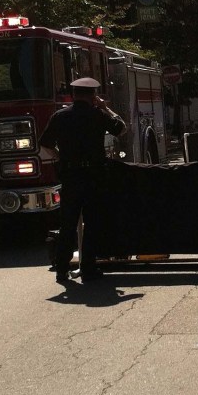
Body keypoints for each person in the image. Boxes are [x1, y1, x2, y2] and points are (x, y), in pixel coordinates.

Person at [39, 77, 126, 283]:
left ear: (73, 95)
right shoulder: (98, 115)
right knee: (92, 223)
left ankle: (62, 269)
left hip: (70, 177)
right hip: (94, 177)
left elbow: (45, 144)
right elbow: (121, 128)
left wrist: (60, 158)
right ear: (93, 96)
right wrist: (106, 108)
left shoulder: (60, 116)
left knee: (68, 224)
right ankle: (88, 268)